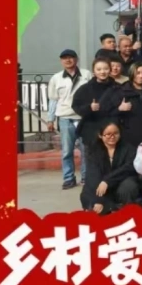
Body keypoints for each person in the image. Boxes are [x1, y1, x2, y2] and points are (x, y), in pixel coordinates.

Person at [47, 49, 92, 190]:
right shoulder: (56, 78)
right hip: (65, 118)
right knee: (67, 151)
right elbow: (53, 100)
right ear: (61, 61)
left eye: (71, 57)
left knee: (86, 150)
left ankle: (86, 177)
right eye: (64, 58)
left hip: (84, 118)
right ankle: (68, 178)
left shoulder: (86, 75)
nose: (68, 60)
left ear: (76, 59)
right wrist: (50, 119)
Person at [80, 122, 139, 214]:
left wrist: (107, 181)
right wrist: (98, 200)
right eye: (108, 134)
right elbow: (93, 176)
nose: (112, 137)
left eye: (116, 133)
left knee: (129, 186)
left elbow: (129, 168)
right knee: (87, 194)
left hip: (120, 182)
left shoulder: (128, 148)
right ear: (100, 135)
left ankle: (126, 211)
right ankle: (105, 207)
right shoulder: (93, 151)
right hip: (101, 186)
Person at [101, 62, 142, 148]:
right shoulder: (121, 91)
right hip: (128, 136)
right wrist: (119, 109)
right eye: (138, 73)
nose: (141, 76)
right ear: (132, 73)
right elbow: (107, 112)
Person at [71, 58, 116, 148]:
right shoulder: (85, 88)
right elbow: (76, 106)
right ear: (93, 71)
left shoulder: (117, 87)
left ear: (110, 70)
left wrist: (122, 108)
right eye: (99, 69)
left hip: (113, 131)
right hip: (91, 130)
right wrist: (89, 107)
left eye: (106, 69)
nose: (102, 72)